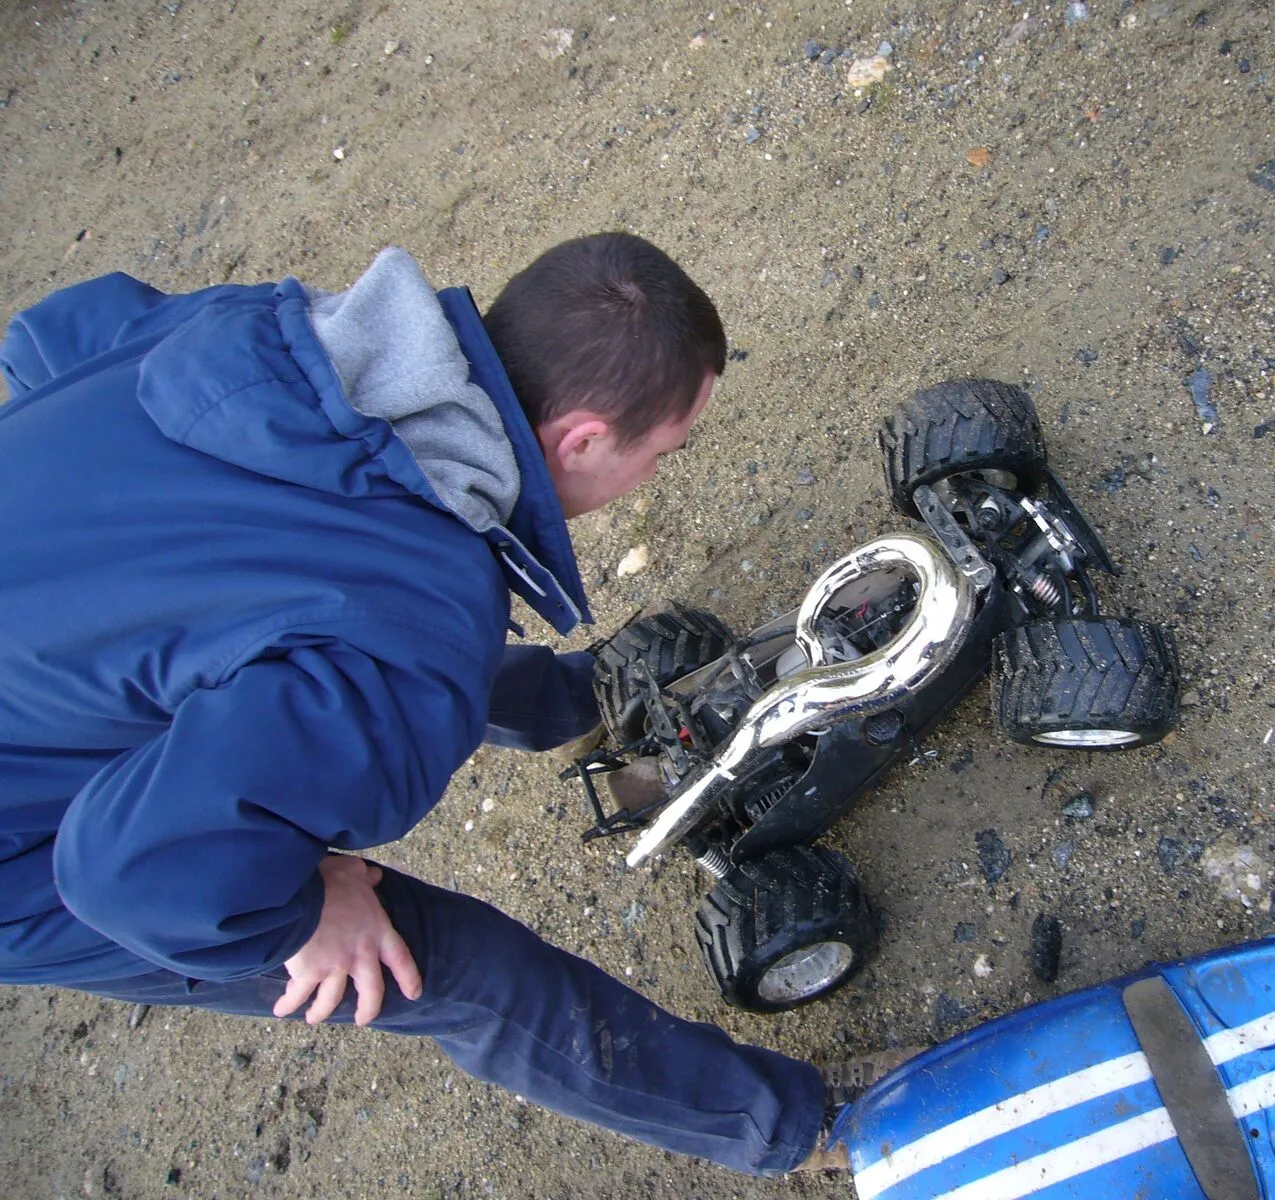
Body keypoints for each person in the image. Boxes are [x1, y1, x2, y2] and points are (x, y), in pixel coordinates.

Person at [0, 233, 901, 1176]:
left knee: (361, 639)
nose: (659, 473)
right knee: (447, 966)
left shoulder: (275, 334)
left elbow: (50, 336)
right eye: (664, 452)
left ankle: (578, 702)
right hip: (37, 862)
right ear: (582, 440)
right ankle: (810, 1127)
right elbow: (129, 876)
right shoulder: (419, 620)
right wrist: (302, 919)